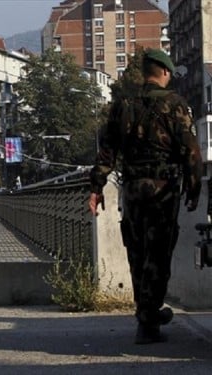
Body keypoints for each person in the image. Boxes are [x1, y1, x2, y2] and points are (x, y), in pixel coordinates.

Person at [89, 48, 203, 345]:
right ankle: (149, 318)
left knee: (137, 251)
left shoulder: (123, 105)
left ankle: (147, 312)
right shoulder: (175, 105)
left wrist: (96, 186)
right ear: (164, 72)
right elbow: (191, 152)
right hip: (163, 190)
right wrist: (194, 187)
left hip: (132, 188)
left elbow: (108, 150)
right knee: (159, 253)